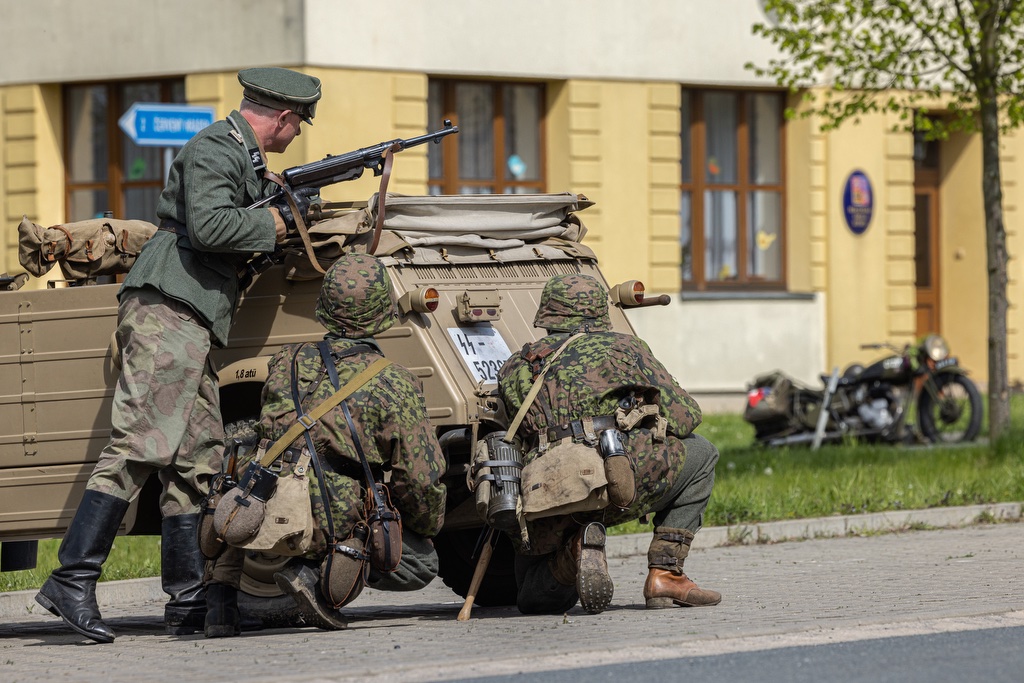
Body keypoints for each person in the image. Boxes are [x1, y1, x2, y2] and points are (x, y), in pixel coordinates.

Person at [35, 67, 323, 643]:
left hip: (190, 318)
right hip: (167, 309)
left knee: (197, 460)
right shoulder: (216, 147)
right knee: (141, 443)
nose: (297, 135)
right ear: (285, 117)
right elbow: (211, 227)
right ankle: (71, 579)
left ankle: (188, 602)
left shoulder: (242, 157)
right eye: (299, 125)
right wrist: (274, 220)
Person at [203, 253, 447, 637]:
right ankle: (314, 576)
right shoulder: (395, 382)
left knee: (243, 470)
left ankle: (219, 607)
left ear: (325, 308)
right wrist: (425, 525)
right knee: (422, 562)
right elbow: (419, 479)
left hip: (258, 502)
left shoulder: (286, 361)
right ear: (383, 312)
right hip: (328, 513)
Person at [496, 273, 721, 615]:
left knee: (533, 598)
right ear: (600, 310)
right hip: (618, 481)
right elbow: (686, 416)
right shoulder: (626, 348)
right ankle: (666, 573)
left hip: (549, 490)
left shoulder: (516, 365)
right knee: (702, 452)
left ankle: (572, 553)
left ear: (548, 313)